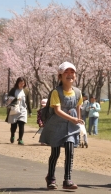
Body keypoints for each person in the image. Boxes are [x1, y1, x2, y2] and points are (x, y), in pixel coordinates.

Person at [39, 61, 84, 190]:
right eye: (66, 72)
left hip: (71, 127)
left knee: (70, 150)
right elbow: (57, 111)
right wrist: (74, 119)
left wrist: (79, 121)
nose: (70, 75)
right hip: (56, 126)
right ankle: (51, 178)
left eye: (72, 72)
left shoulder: (77, 92)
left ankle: (67, 179)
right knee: (56, 153)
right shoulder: (56, 92)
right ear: (60, 76)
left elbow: (78, 107)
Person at [5, 77, 32, 145]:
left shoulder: (26, 91)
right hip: (14, 109)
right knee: (14, 125)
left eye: (23, 83)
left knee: (21, 124)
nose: (22, 84)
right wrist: (15, 99)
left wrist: (30, 111)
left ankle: (20, 139)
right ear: (17, 83)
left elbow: (28, 101)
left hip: (23, 110)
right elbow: (8, 99)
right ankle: (12, 135)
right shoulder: (13, 90)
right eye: (20, 83)